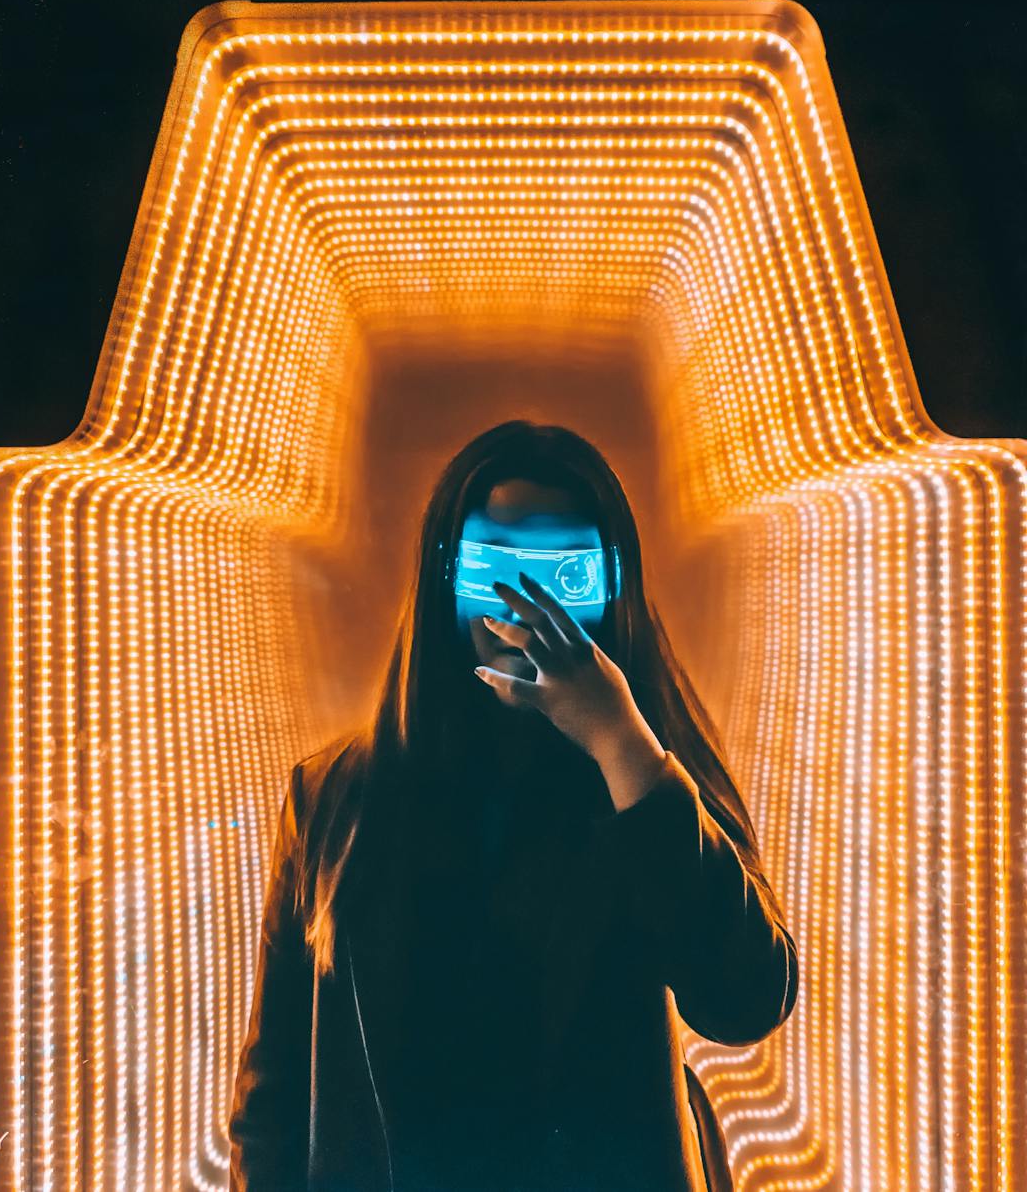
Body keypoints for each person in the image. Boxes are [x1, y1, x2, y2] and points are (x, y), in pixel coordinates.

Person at [227, 420, 799, 1192]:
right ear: (442, 577)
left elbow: (747, 998)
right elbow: (272, 1097)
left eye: (567, 576)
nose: (523, 608)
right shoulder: (335, 798)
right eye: (491, 568)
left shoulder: (651, 770)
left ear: (613, 582)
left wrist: (622, 746)